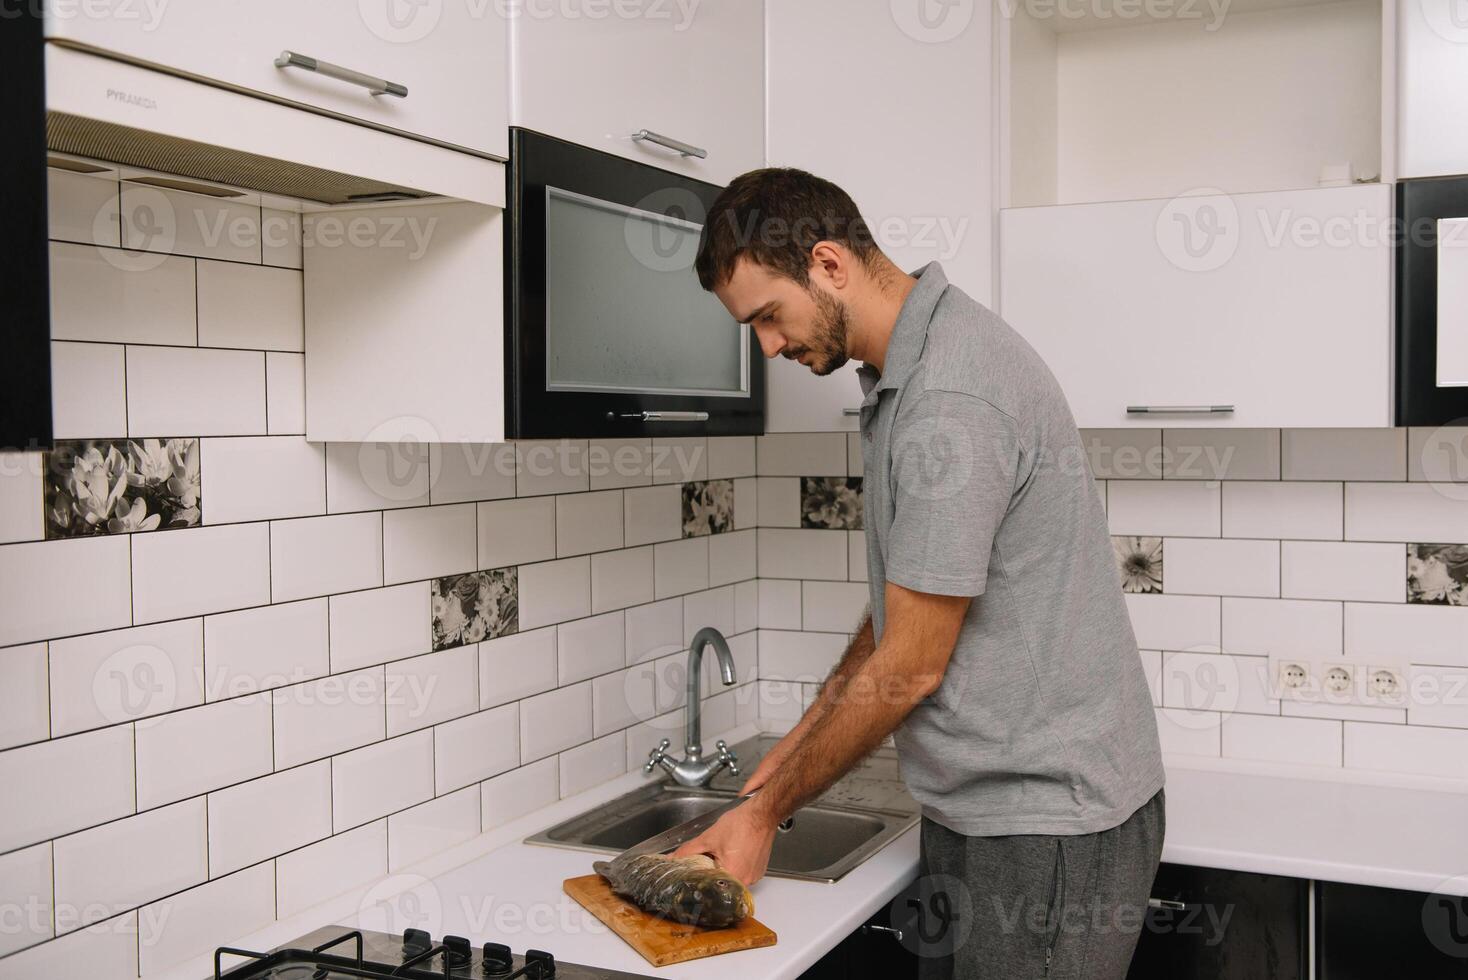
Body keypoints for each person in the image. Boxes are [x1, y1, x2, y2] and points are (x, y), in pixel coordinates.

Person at [672, 168, 1167, 978]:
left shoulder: (948, 397)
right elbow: (907, 609)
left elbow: (910, 664)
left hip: (1044, 823)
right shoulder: (914, 368)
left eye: (768, 316)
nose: (767, 346)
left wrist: (767, 812)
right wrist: (799, 742)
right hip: (1000, 810)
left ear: (829, 264)